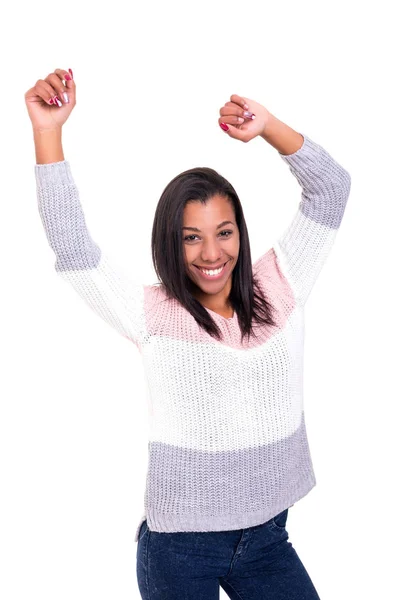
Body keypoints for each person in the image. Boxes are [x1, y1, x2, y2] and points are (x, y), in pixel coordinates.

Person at [25, 68, 351, 600]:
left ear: (239, 232)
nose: (211, 253)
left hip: (268, 538)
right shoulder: (152, 313)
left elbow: (332, 189)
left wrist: (267, 126)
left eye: (224, 233)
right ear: (170, 245)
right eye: (191, 238)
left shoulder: (283, 279)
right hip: (179, 550)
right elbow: (74, 250)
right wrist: (47, 132)